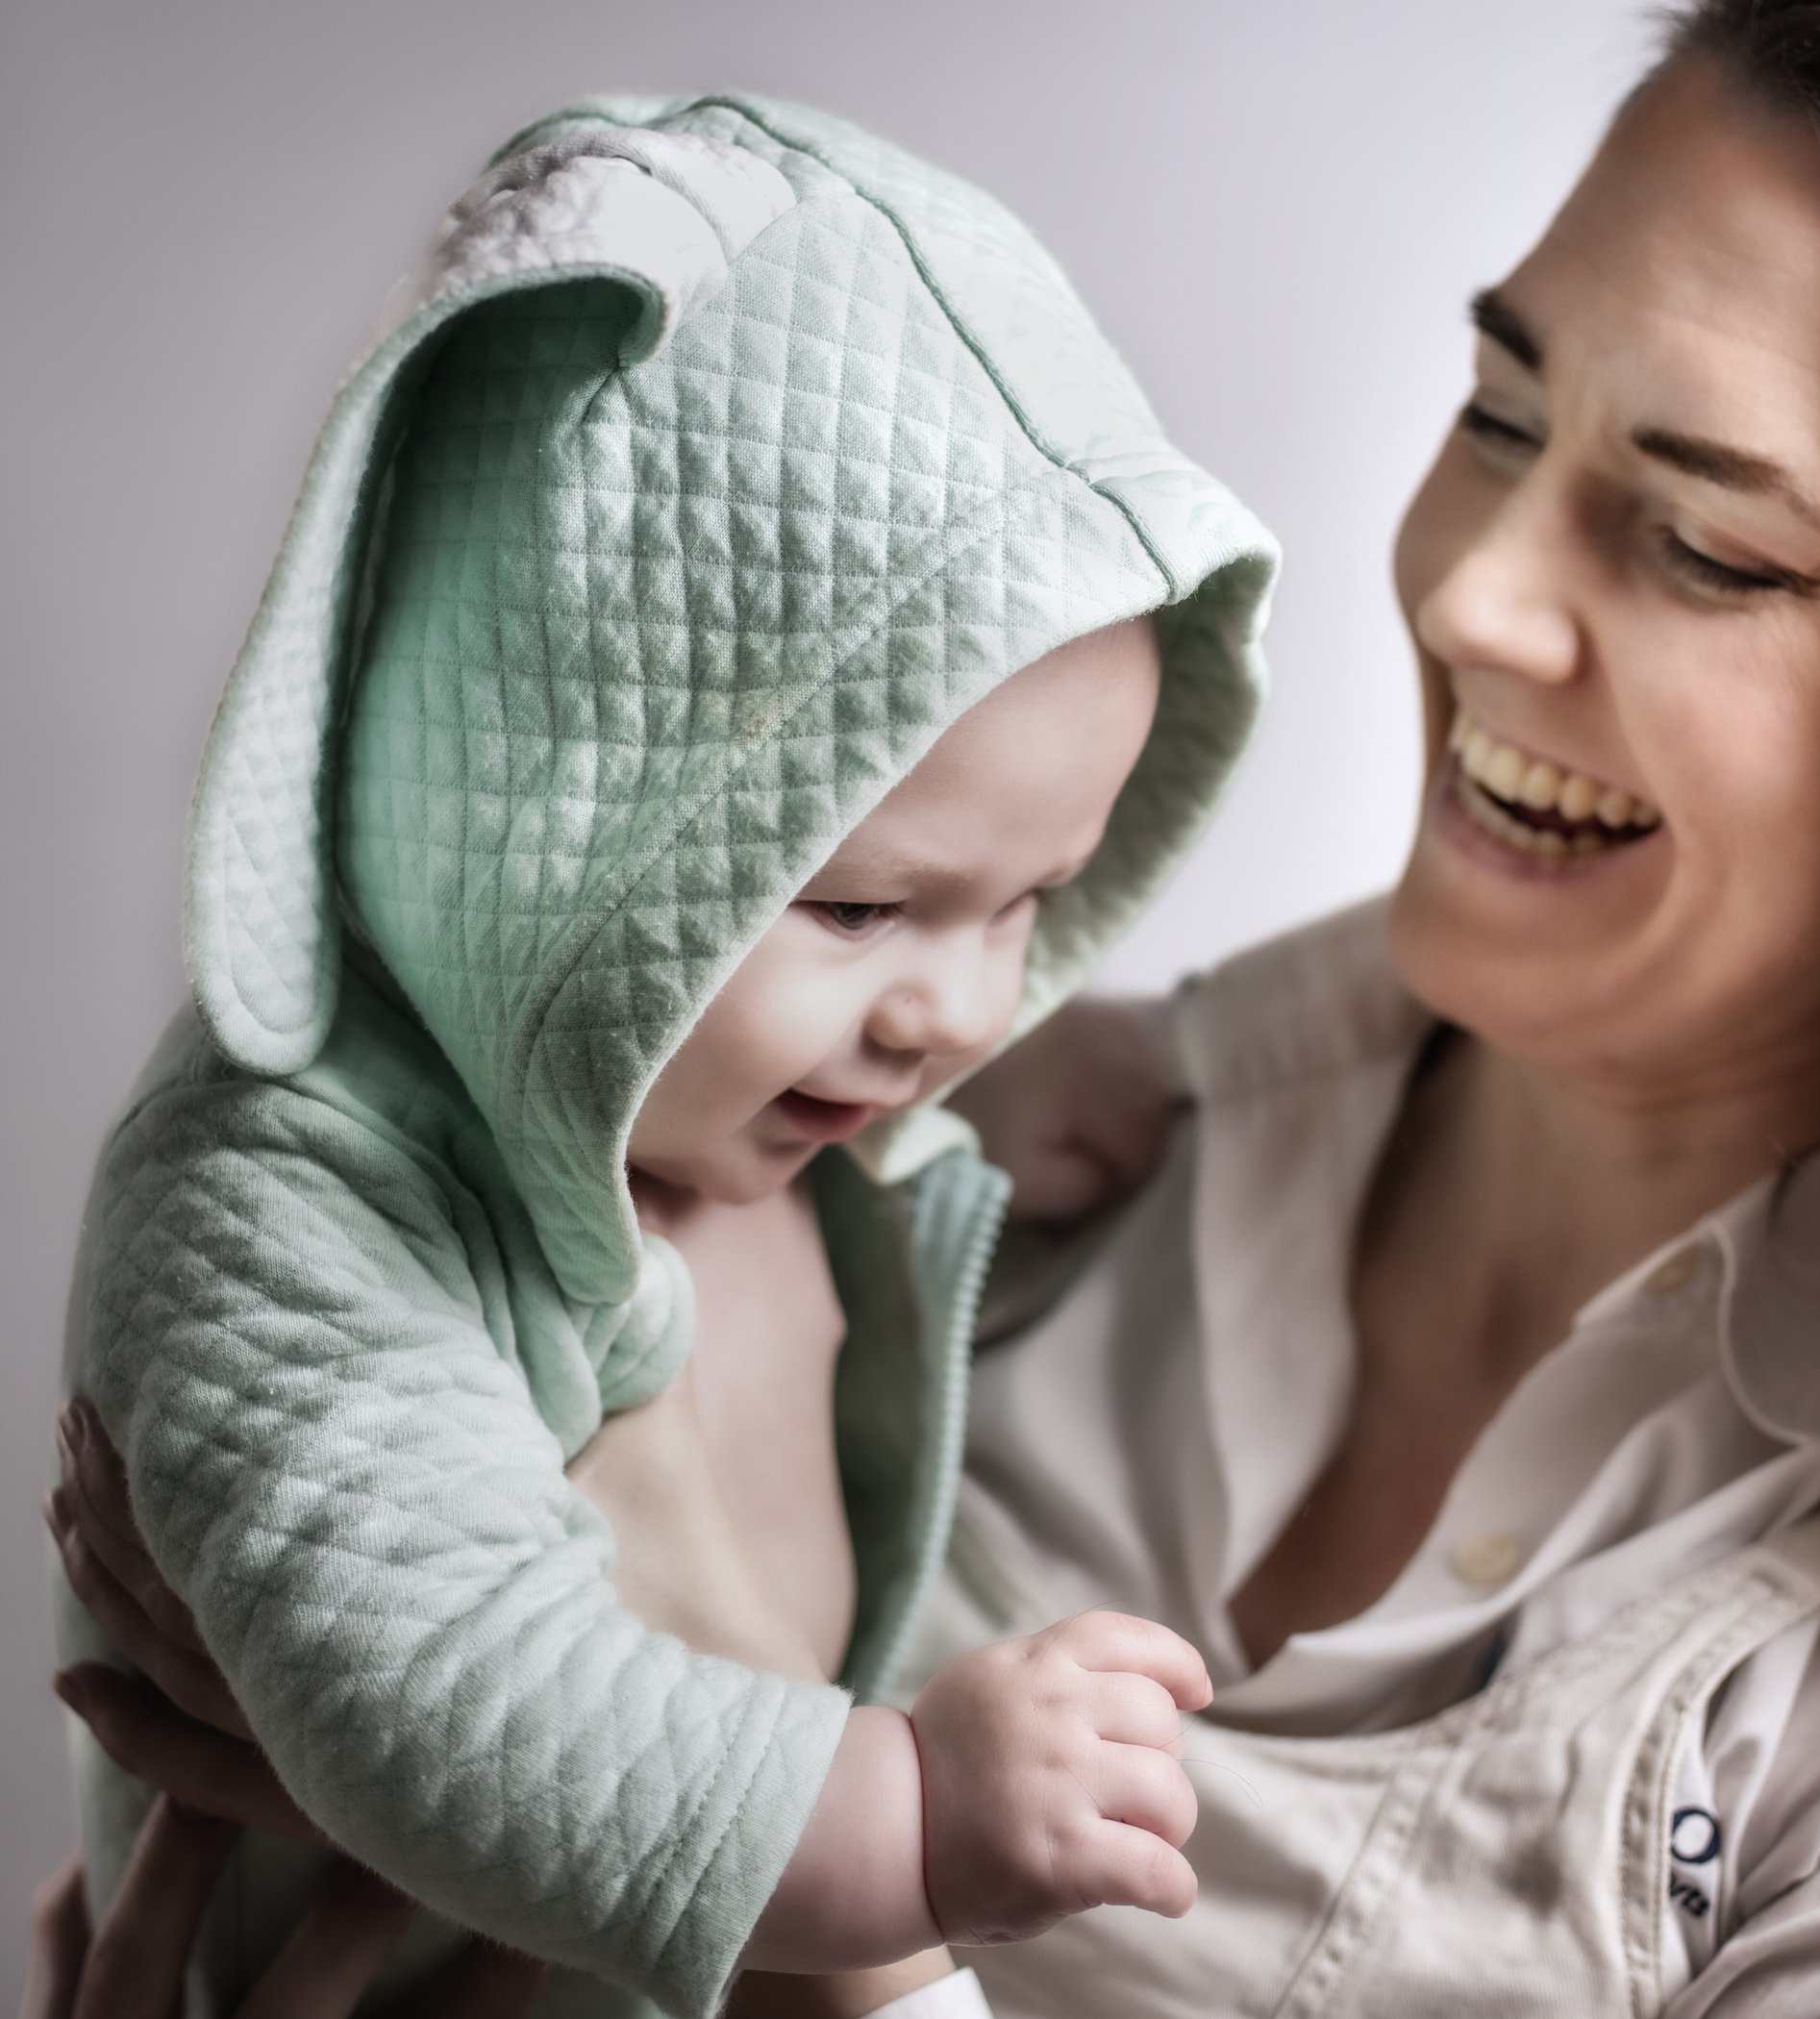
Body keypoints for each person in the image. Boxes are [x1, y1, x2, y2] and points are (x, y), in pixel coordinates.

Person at [39, 0, 1820, 2013]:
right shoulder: (1003, 1135)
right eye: (1502, 411)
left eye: (1705, 542)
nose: (1473, 593)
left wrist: (831, 1927)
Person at [43, 91, 1275, 2019]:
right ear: (552, 833)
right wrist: (911, 1825)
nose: (951, 1011)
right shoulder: (283, 1205)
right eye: (867, 910)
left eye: (1028, 899)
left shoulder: (770, 1117)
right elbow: (450, 1681)